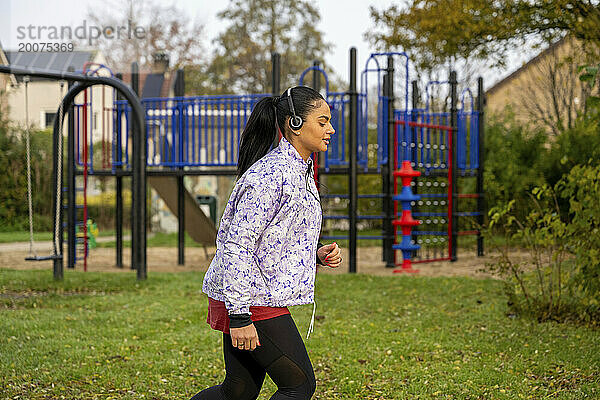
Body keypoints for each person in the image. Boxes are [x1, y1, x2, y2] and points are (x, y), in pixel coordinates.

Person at [190, 86, 342, 400]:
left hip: (252, 294)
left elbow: (271, 240)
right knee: (298, 386)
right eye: (323, 121)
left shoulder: (299, 171)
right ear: (296, 124)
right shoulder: (268, 176)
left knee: (237, 393)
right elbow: (236, 245)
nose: (331, 129)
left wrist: (312, 255)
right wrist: (240, 317)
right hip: (248, 300)